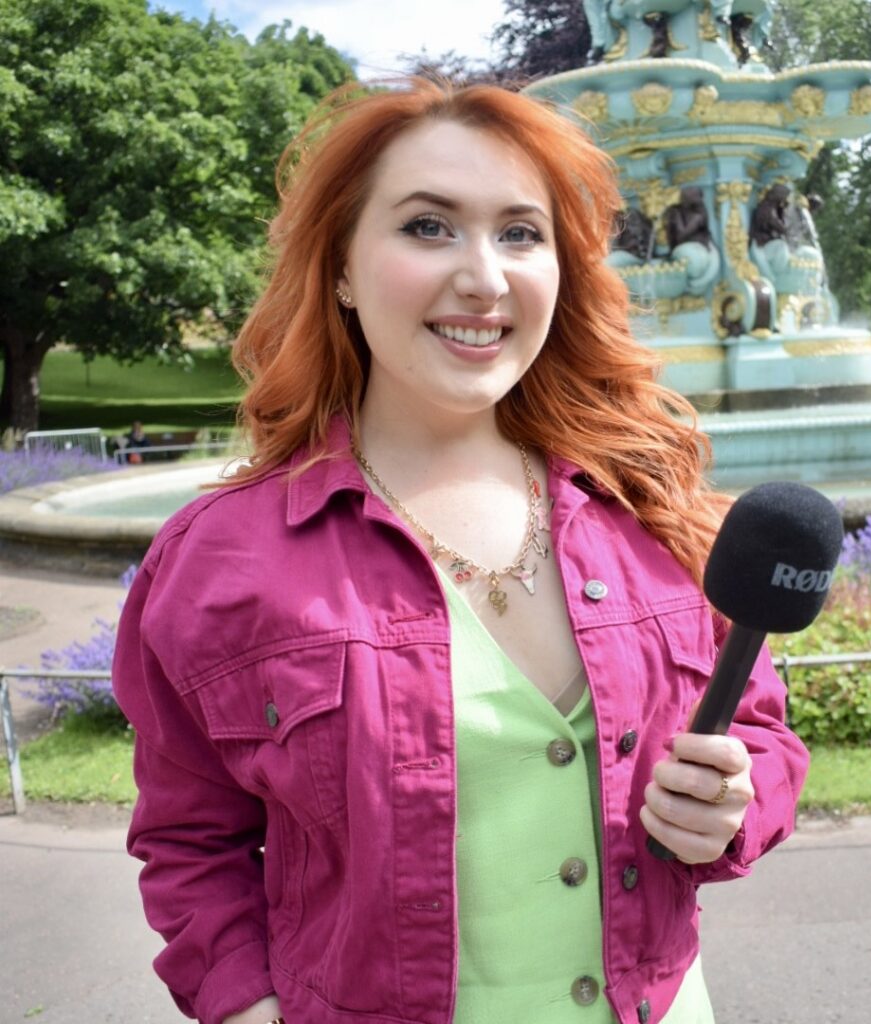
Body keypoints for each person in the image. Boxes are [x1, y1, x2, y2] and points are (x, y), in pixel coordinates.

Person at [112, 78, 809, 1024]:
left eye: (521, 234)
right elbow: (190, 841)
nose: (483, 277)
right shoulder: (219, 559)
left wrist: (735, 805)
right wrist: (246, 1009)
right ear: (343, 269)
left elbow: (762, 738)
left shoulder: (649, 511)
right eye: (428, 227)